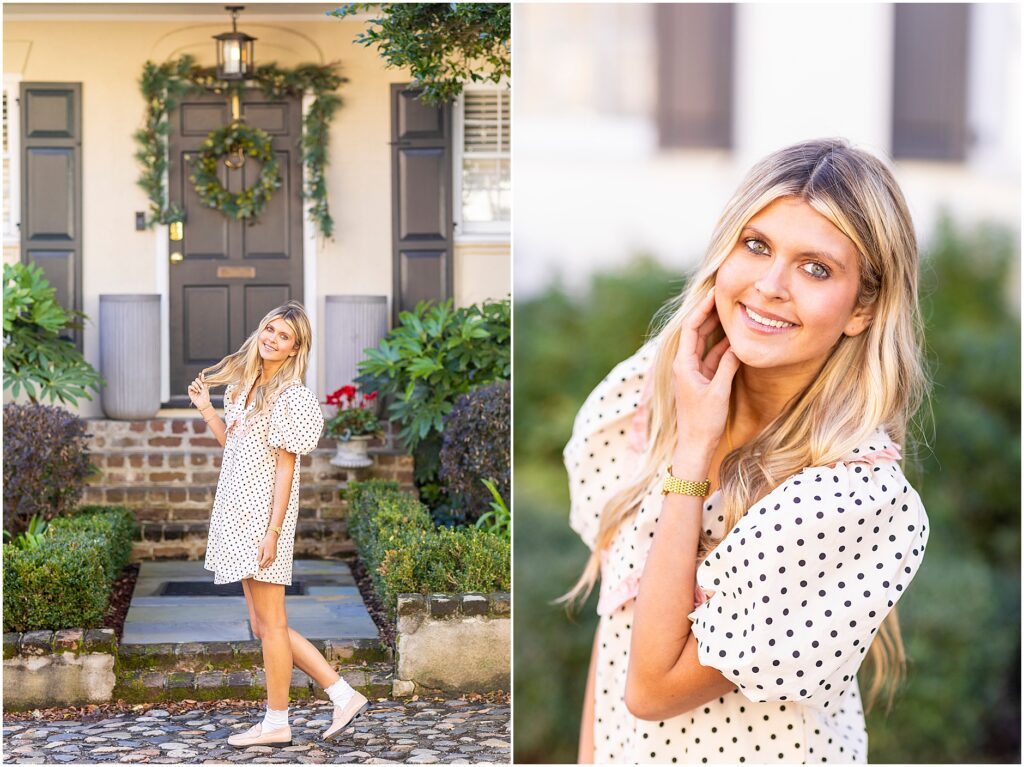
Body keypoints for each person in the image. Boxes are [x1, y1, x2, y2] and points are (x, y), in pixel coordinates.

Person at [563, 139, 931, 763]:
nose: (769, 285)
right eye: (756, 245)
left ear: (862, 308)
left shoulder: (853, 497)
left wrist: (694, 455)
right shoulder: (656, 391)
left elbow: (652, 689)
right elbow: (618, 628)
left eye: (816, 268)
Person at [187, 299, 368, 747]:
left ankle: (277, 722)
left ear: (295, 348)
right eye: (270, 329)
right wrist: (206, 408)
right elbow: (234, 445)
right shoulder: (243, 385)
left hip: (264, 518)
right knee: (264, 624)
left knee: (271, 623)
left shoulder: (291, 398)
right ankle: (342, 694)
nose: (272, 339)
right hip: (236, 510)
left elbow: (286, 469)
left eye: (283, 336)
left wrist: (272, 532)